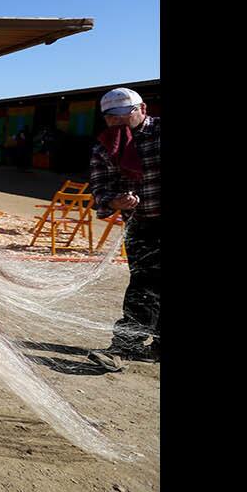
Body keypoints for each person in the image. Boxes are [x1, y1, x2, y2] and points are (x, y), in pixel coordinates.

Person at [86, 87, 160, 373]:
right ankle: (125, 347)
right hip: (141, 223)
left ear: (142, 110)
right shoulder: (104, 147)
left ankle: (153, 347)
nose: (116, 123)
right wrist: (114, 201)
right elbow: (100, 190)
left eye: (122, 115)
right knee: (144, 283)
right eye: (109, 117)